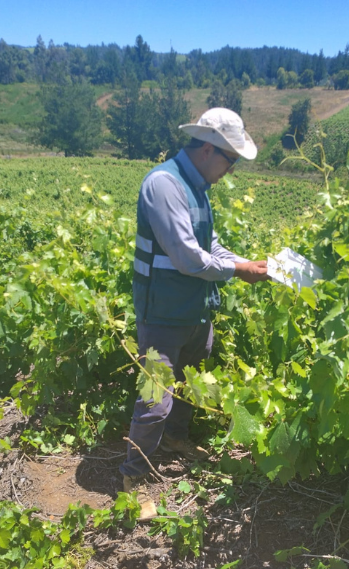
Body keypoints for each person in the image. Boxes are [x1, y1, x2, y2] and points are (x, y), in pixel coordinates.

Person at [119, 108, 270, 494]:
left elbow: (210, 246)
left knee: (189, 384)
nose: (230, 171)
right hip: (163, 312)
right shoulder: (164, 184)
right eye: (231, 161)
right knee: (155, 398)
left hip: (195, 310)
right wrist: (239, 271)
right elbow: (188, 257)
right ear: (207, 150)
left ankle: (175, 439)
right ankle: (134, 476)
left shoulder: (197, 188)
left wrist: (247, 263)